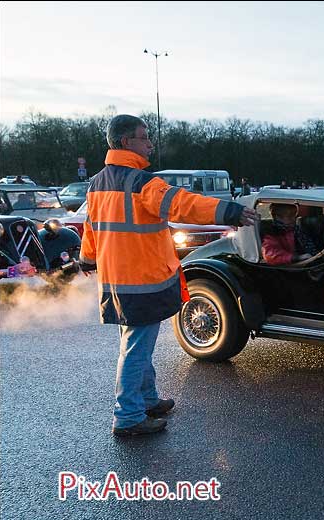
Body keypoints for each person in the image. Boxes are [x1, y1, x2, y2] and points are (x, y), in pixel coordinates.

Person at [80, 114, 258, 437]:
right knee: (136, 349)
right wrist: (229, 211)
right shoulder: (142, 184)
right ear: (125, 143)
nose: (150, 144)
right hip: (141, 281)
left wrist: (87, 259)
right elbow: (183, 205)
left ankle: (146, 400)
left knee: (135, 344)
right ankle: (128, 415)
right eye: (144, 137)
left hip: (116, 281)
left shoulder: (96, 183)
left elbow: (91, 228)